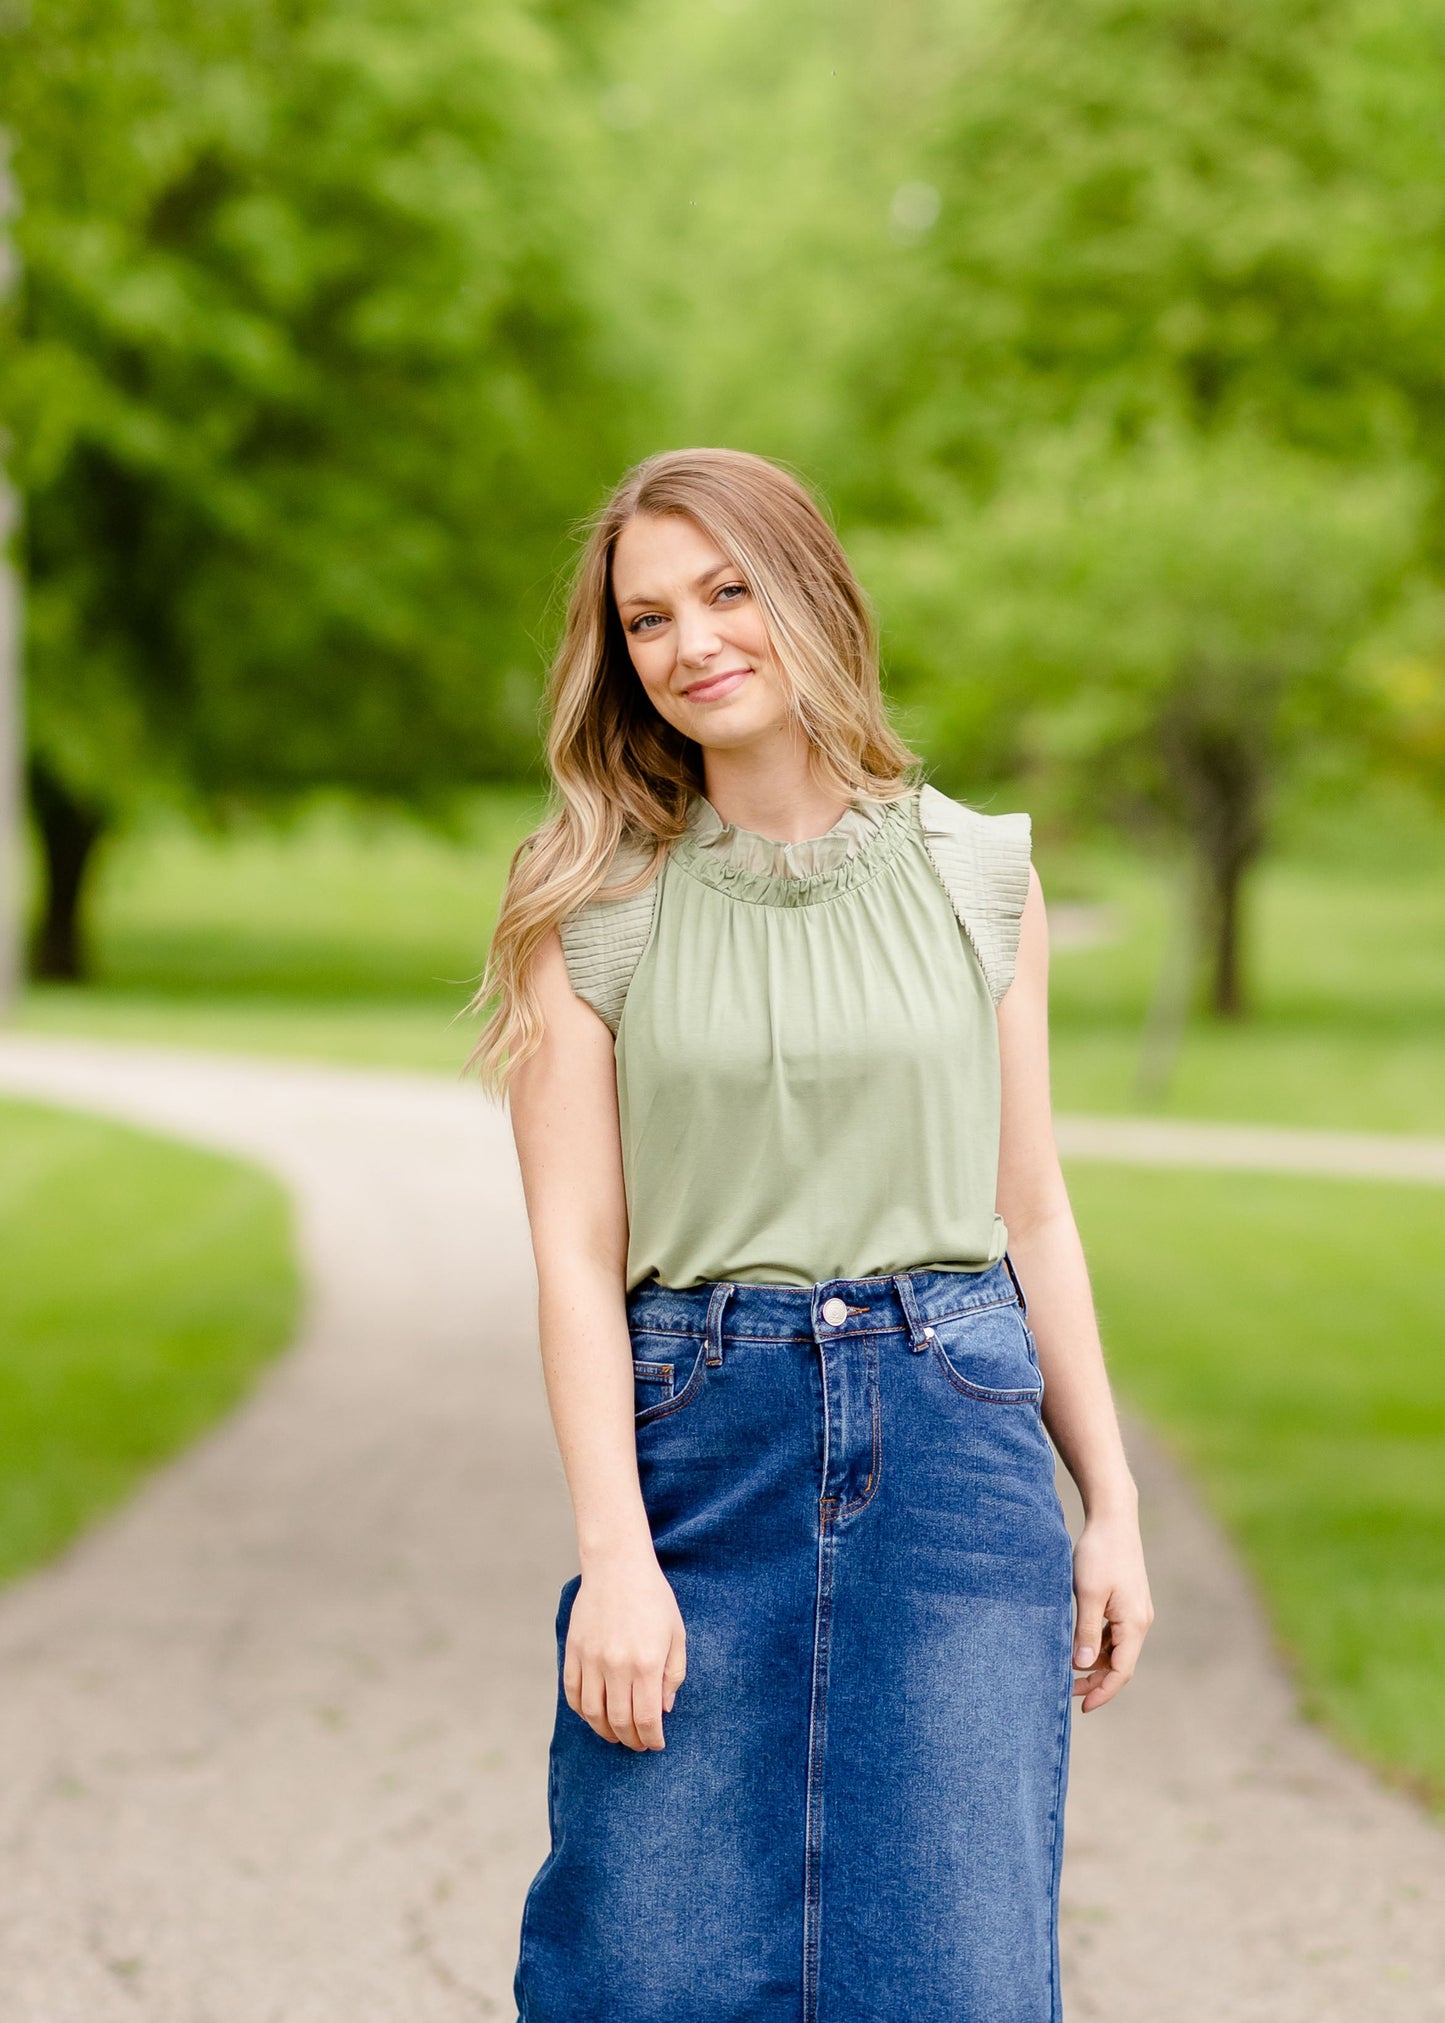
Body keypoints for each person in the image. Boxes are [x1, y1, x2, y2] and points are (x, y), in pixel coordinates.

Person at [473, 446, 1153, 2023]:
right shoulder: (586, 899)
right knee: (644, 1964)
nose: (693, 642)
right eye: (647, 620)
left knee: (950, 1971)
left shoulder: (981, 873)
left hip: (956, 1430)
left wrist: (1106, 1498)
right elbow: (574, 1256)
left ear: (812, 596)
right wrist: (615, 1558)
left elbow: (1030, 1207)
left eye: (724, 592)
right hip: (701, 1439)